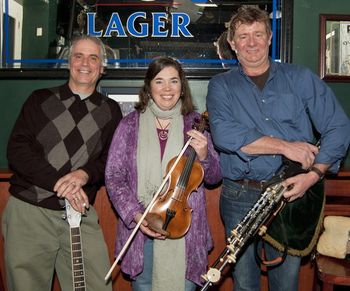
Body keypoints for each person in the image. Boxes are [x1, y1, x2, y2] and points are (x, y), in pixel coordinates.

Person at [206, 6, 350, 291]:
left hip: (291, 193)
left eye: (258, 34)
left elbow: (339, 127)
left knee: (286, 283)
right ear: (232, 44)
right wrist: (286, 146)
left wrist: (314, 174)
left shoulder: (300, 78)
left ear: (269, 37)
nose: (251, 42)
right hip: (239, 195)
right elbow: (223, 135)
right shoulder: (220, 86)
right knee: (244, 284)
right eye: (243, 36)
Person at [3, 35, 123, 291]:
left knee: (96, 285)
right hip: (30, 211)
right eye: (78, 56)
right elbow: (17, 150)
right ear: (68, 62)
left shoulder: (111, 110)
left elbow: (109, 162)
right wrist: (59, 182)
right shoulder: (40, 99)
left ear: (102, 67)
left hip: (80, 212)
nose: (85, 63)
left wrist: (83, 175)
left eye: (93, 58)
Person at [105, 56, 221, 291]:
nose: (167, 89)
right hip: (141, 229)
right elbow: (114, 177)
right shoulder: (129, 125)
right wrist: (136, 215)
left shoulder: (197, 123)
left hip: (185, 232)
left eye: (174, 81)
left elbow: (214, 177)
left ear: (182, 88)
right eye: (159, 81)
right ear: (148, 87)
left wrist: (204, 155)